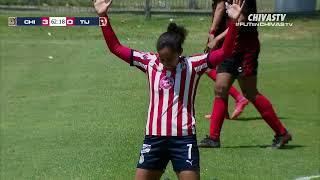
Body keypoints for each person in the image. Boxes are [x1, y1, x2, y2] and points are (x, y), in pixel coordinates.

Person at [93, 0, 245, 179]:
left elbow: (225, 53)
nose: (165, 63)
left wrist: (234, 23)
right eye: (162, 58)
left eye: (169, 59)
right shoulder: (149, 62)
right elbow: (115, 47)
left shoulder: (193, 65)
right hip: (154, 139)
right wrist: (103, 16)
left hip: (183, 140)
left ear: (179, 52)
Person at [199, 0, 292, 149]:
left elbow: (241, 20)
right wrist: (212, 33)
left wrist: (217, 38)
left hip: (245, 48)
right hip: (229, 47)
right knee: (220, 88)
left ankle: (281, 133)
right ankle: (213, 138)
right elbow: (220, 7)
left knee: (250, 92)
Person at [204, 0, 249, 120]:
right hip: (229, 30)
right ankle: (223, 111)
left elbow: (220, 7)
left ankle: (239, 98)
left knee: (208, 66)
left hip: (224, 32)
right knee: (218, 69)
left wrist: (213, 33)